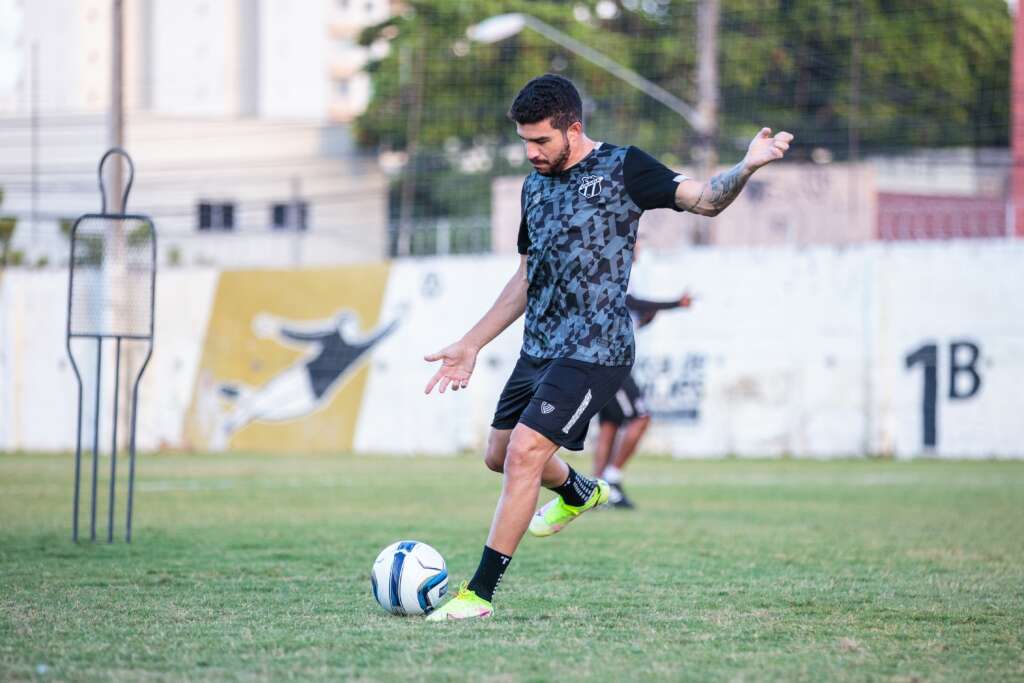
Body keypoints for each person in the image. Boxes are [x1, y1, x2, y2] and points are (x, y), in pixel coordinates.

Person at [423, 74, 792, 621]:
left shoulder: (624, 167)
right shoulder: (533, 187)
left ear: (574, 129)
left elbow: (707, 201)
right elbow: (526, 277)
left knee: (526, 454)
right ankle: (578, 491)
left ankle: (477, 595)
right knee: (498, 457)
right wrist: (472, 343)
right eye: (524, 141)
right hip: (540, 347)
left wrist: (748, 165)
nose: (531, 152)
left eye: (542, 140)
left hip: (597, 348)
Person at [594, 291, 693, 509]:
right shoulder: (619, 265)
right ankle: (611, 478)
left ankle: (595, 490)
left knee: (610, 425)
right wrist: (676, 303)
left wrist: (650, 315)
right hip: (611, 365)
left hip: (601, 361)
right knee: (641, 417)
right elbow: (632, 301)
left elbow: (635, 312)